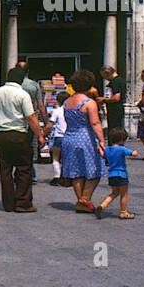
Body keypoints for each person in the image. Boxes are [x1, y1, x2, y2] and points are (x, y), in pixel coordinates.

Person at [0, 67, 45, 213]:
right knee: (23, 168)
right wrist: (39, 135)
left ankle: (8, 203)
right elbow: (31, 117)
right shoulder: (22, 94)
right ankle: (23, 203)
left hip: (1, 133)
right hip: (19, 134)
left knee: (5, 170)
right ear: (21, 79)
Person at [60, 69, 106, 213]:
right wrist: (102, 140)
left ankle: (81, 201)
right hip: (85, 137)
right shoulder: (89, 103)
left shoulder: (67, 101)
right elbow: (95, 123)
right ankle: (85, 199)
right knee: (95, 169)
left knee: (77, 171)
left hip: (69, 137)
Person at [95, 129, 137, 219]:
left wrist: (100, 149)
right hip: (121, 175)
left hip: (111, 175)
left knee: (114, 193)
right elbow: (133, 153)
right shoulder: (122, 149)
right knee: (124, 194)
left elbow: (103, 155)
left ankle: (102, 206)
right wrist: (136, 152)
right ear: (122, 140)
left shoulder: (108, 149)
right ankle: (123, 212)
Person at [99, 65, 127, 138]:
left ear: (107, 73)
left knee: (114, 130)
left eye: (104, 76)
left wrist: (103, 100)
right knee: (117, 128)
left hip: (114, 109)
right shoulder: (121, 80)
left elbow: (116, 98)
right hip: (118, 108)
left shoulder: (115, 82)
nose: (105, 78)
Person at [48, 90, 68, 184]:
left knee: (55, 158)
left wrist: (44, 133)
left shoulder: (57, 111)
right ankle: (66, 176)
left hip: (59, 136)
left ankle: (57, 177)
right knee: (67, 158)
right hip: (69, 136)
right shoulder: (72, 111)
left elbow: (51, 124)